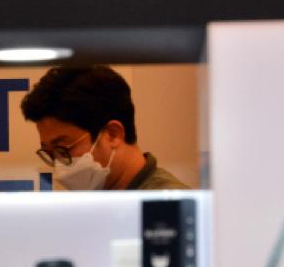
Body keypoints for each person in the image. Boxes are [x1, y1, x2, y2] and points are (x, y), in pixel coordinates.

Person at [20, 65, 189, 191]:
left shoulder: (167, 208)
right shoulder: (98, 201)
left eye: (63, 150)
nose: (59, 168)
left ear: (112, 134)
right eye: (51, 155)